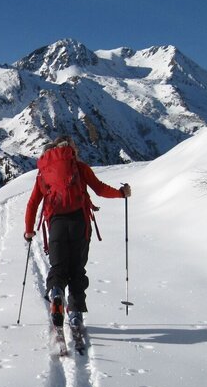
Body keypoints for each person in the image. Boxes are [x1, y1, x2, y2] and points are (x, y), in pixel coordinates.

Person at [24, 136, 131, 343]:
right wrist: (121, 193)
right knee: (77, 270)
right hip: (80, 223)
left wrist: (29, 231)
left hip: (56, 224)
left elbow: (32, 204)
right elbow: (99, 189)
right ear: (70, 148)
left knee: (58, 267)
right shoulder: (79, 167)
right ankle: (74, 314)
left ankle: (56, 293)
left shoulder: (43, 174)